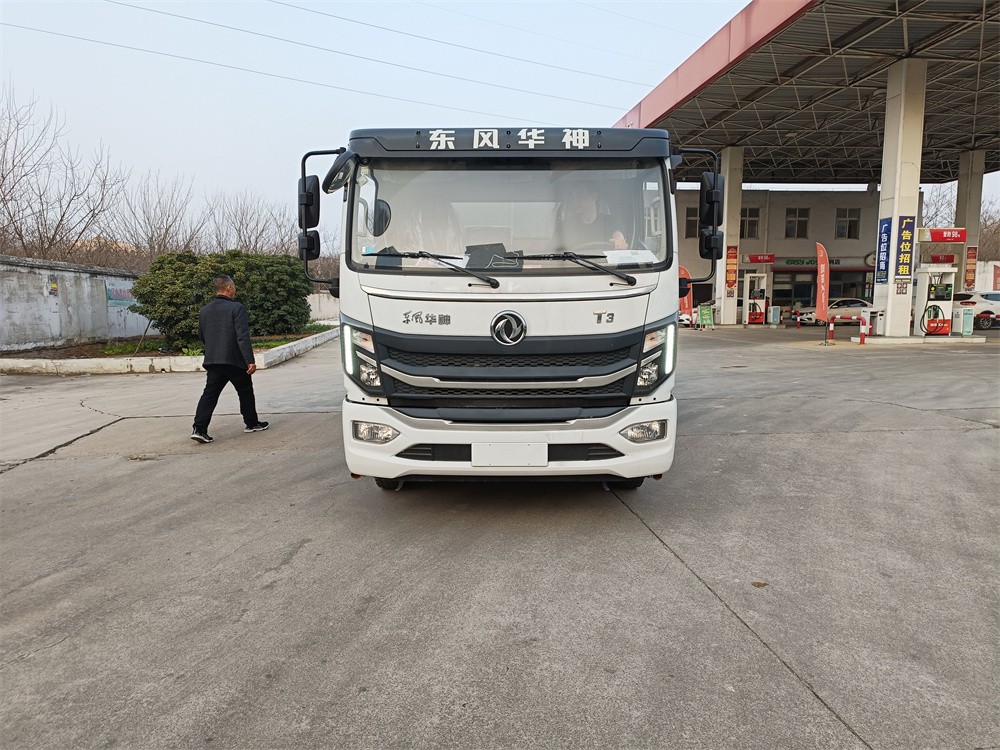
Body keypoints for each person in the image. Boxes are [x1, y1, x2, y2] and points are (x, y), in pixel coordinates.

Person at [190, 275, 268, 443]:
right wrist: (250, 360)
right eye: (234, 286)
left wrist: (214, 348)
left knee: (209, 394)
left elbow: (202, 335)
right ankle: (251, 423)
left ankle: (199, 429)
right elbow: (242, 337)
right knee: (245, 391)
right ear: (229, 288)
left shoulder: (205, 310)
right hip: (234, 360)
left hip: (213, 360)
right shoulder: (236, 308)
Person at [556, 184, 628, 251]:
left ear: (593, 197)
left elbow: (618, 233)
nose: (575, 202)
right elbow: (555, 252)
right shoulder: (565, 226)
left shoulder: (609, 222)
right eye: (573, 198)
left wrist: (619, 238)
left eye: (580, 196)